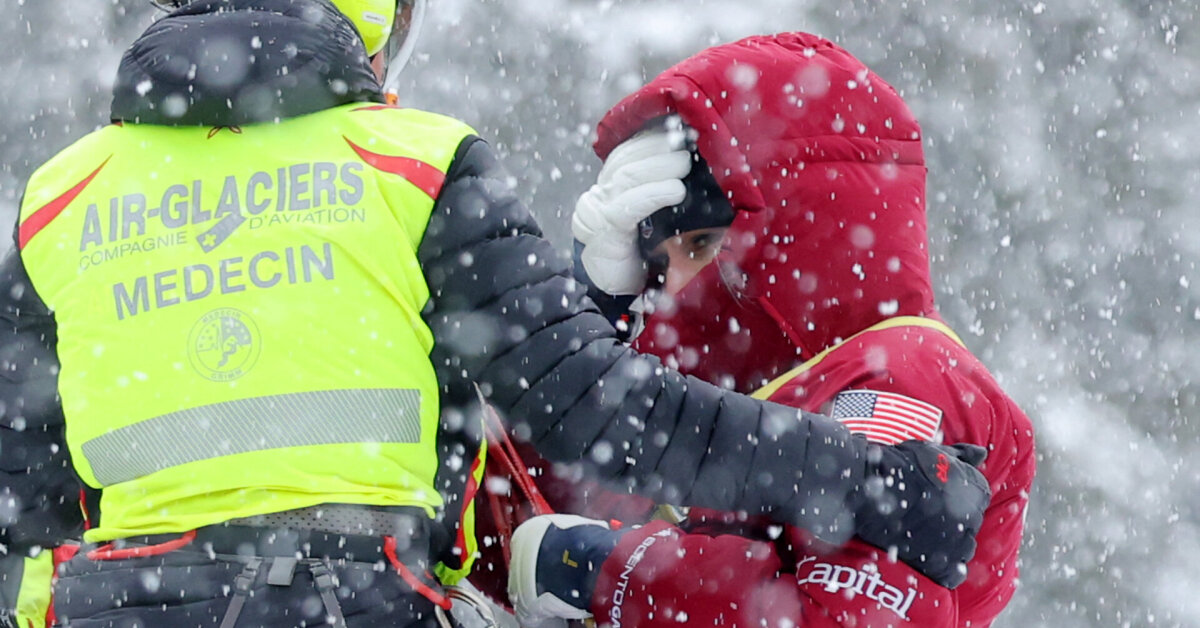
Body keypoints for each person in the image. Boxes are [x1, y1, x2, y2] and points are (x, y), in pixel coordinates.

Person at [0, 3, 990, 626]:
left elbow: (23, 506)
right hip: (349, 603)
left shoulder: (60, 203)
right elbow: (600, 415)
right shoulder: (411, 167)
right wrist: (865, 478)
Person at [508, 32, 1036, 628]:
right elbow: (525, 516)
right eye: (657, 264)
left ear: (799, 234)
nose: (673, 288)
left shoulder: (895, 372)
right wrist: (597, 316)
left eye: (702, 244)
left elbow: (842, 619)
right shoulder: (764, 405)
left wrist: (609, 570)